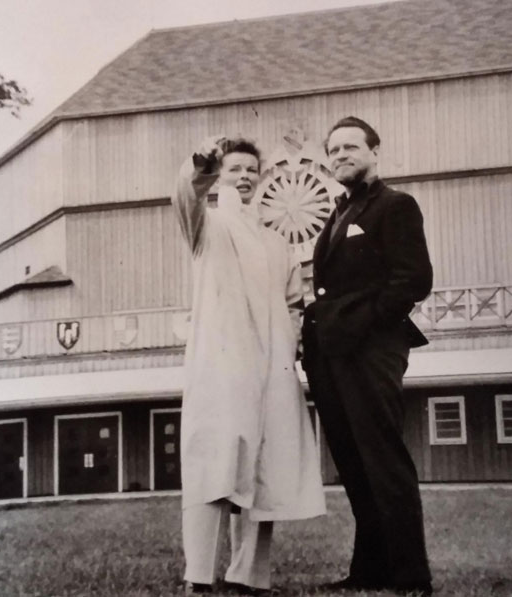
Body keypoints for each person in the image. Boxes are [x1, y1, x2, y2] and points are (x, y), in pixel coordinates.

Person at [171, 135, 326, 595]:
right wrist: (202, 162)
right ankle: (199, 574)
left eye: (250, 171)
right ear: (220, 176)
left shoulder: (278, 244)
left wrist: (289, 342)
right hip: (222, 363)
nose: (243, 178)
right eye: (234, 169)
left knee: (266, 465)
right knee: (214, 460)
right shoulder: (208, 227)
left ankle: (249, 575)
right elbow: (187, 195)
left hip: (272, 366)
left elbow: (294, 303)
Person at [302, 116, 434, 595]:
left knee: (382, 457)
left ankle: (410, 575)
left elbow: (413, 280)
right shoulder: (337, 213)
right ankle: (370, 570)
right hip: (331, 354)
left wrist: (363, 323)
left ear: (375, 151)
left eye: (350, 147)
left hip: (372, 348)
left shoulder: (395, 206)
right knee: (354, 462)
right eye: (333, 150)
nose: (340, 156)